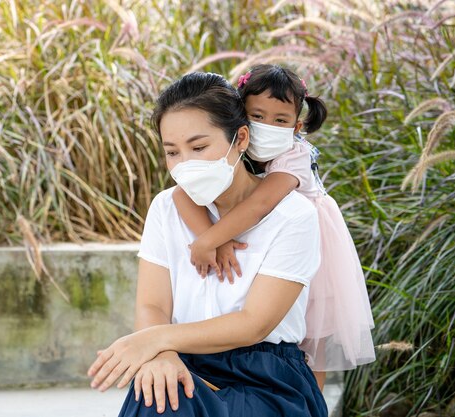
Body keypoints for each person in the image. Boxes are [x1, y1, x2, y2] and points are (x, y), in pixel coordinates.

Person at [87, 72, 328, 416]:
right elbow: (153, 305)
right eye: (172, 152)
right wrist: (163, 356)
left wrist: (154, 341)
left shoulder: (293, 215)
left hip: (266, 380)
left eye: (199, 147)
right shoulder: (166, 208)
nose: (185, 163)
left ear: (240, 138)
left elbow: (254, 324)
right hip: (185, 361)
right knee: (161, 392)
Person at [173, 64, 376, 389]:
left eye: (280, 120)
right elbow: (181, 196)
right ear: (241, 117)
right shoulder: (233, 147)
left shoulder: (293, 156)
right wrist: (214, 240)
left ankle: (311, 400)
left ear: (296, 125)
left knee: (311, 335)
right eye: (258, 115)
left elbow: (260, 204)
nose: (267, 126)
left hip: (313, 244)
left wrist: (211, 237)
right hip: (259, 237)